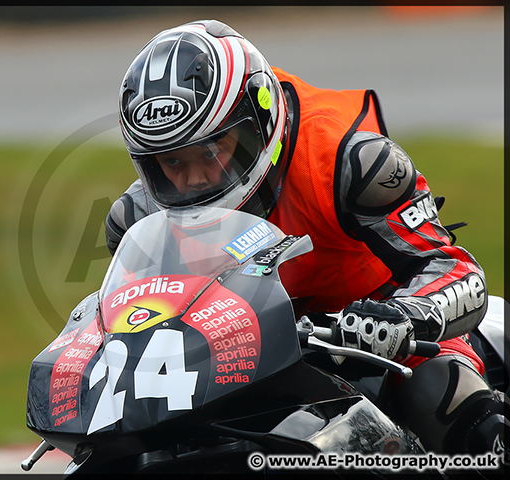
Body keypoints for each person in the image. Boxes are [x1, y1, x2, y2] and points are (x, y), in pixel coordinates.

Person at [104, 19, 507, 457]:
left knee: (444, 392)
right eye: (171, 162)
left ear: (257, 122)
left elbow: (457, 269)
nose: (195, 179)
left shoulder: (351, 162)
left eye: (210, 152)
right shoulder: (139, 218)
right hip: (252, 354)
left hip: (375, 331)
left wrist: (405, 316)